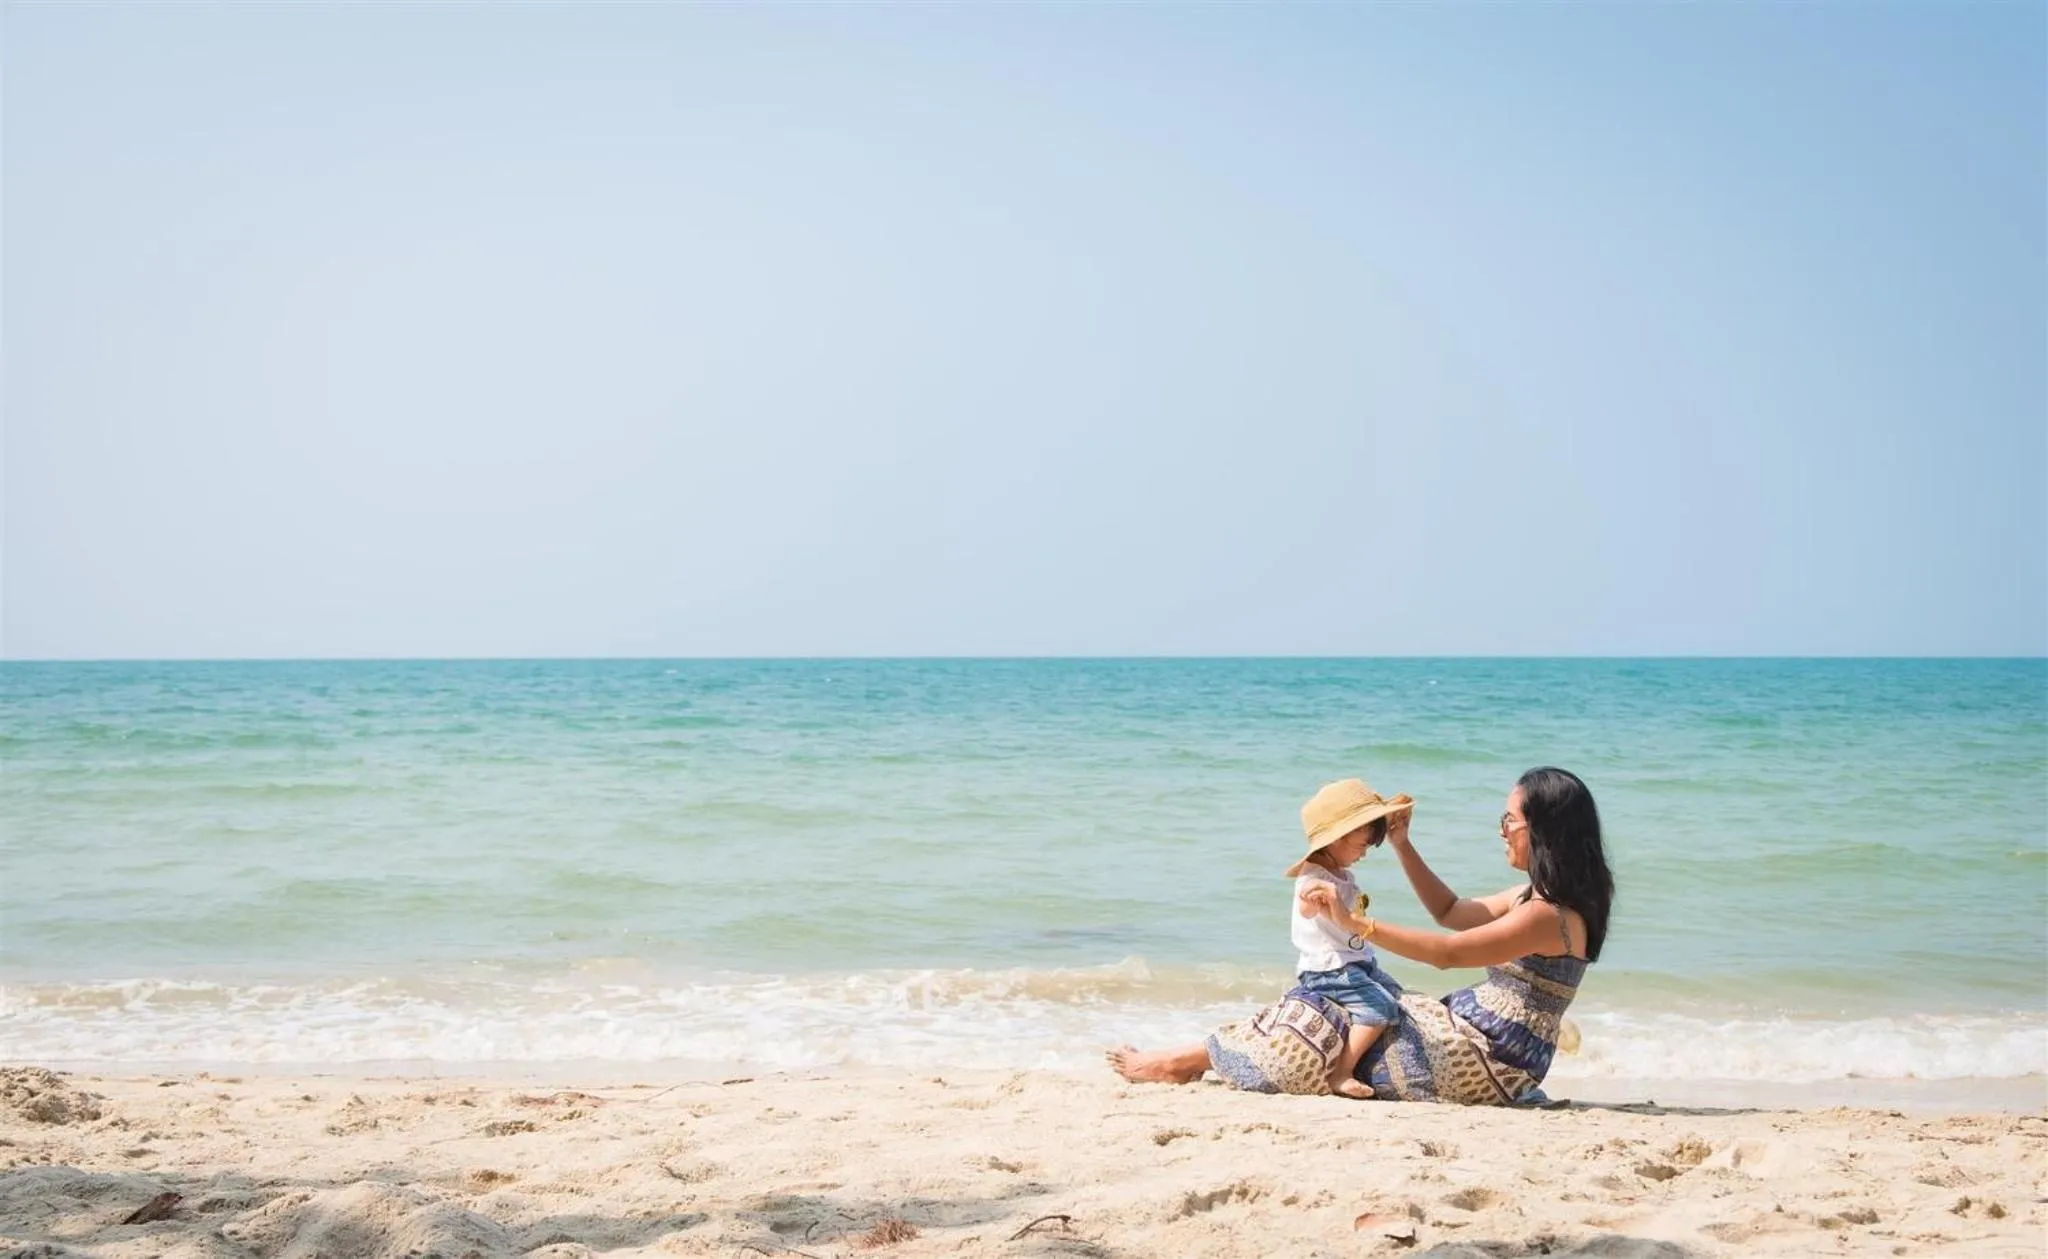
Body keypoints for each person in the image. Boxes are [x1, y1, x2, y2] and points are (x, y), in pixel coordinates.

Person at [1108, 767, 1613, 1105]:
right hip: (1476, 1032)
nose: (1503, 830)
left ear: (1545, 831)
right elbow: (1449, 912)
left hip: (1492, 1055)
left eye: (1511, 820)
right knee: (1338, 1003)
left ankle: (1180, 1061)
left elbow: (1449, 953)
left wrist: (1358, 927)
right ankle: (1192, 1058)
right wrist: (1401, 843)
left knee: (1324, 1022)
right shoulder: (1533, 897)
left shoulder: (1550, 915)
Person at [1283, 779, 1413, 1099]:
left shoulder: (1342, 874)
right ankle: (1341, 1072)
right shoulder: (1314, 877)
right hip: (1329, 968)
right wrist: (1315, 900)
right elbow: (1306, 902)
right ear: (1338, 837)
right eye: (1362, 846)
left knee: (1398, 995)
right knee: (1381, 1008)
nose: (1364, 854)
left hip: (1354, 961)